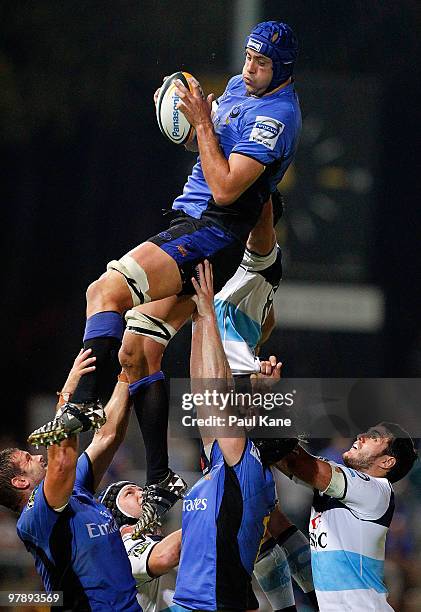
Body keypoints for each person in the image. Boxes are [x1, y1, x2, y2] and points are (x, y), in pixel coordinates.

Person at [28, 21, 302, 467]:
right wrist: (181, 118)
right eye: (249, 56)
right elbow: (209, 147)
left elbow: (228, 189)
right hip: (195, 224)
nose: (249, 67)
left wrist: (199, 123)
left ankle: (83, 403)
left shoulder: (277, 118)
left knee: (104, 290)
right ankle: (158, 479)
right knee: (136, 350)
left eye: (262, 62)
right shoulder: (239, 87)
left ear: (284, 67)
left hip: (211, 231)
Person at [172, 261, 297, 611]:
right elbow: (204, 395)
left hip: (210, 605)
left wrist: (209, 314)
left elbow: (210, 392)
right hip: (201, 602)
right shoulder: (239, 468)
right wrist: (200, 320)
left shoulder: (242, 464)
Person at [0, 349, 141, 611]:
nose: (39, 457)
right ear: (19, 482)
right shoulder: (36, 516)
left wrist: (126, 374)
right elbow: (62, 461)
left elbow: (107, 437)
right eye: (28, 460)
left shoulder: (75, 488)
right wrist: (66, 397)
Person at [276, 423, 418, 611]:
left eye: (374, 437)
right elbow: (286, 460)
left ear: (386, 462)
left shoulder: (376, 490)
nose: (361, 436)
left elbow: (300, 464)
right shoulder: (340, 489)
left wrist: (269, 423)